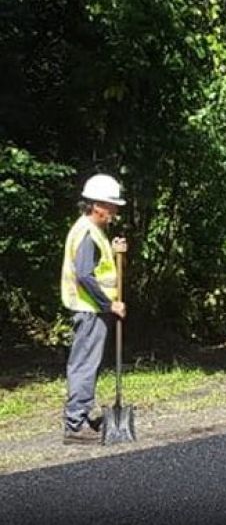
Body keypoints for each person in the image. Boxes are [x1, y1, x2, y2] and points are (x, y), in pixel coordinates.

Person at [61, 173, 127, 444]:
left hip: (92, 310)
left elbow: (97, 269)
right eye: (112, 206)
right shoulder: (88, 233)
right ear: (98, 205)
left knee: (86, 364)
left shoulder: (91, 231)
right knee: (84, 366)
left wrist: (114, 251)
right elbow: (85, 275)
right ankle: (75, 424)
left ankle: (81, 416)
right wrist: (109, 304)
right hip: (90, 311)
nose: (114, 212)